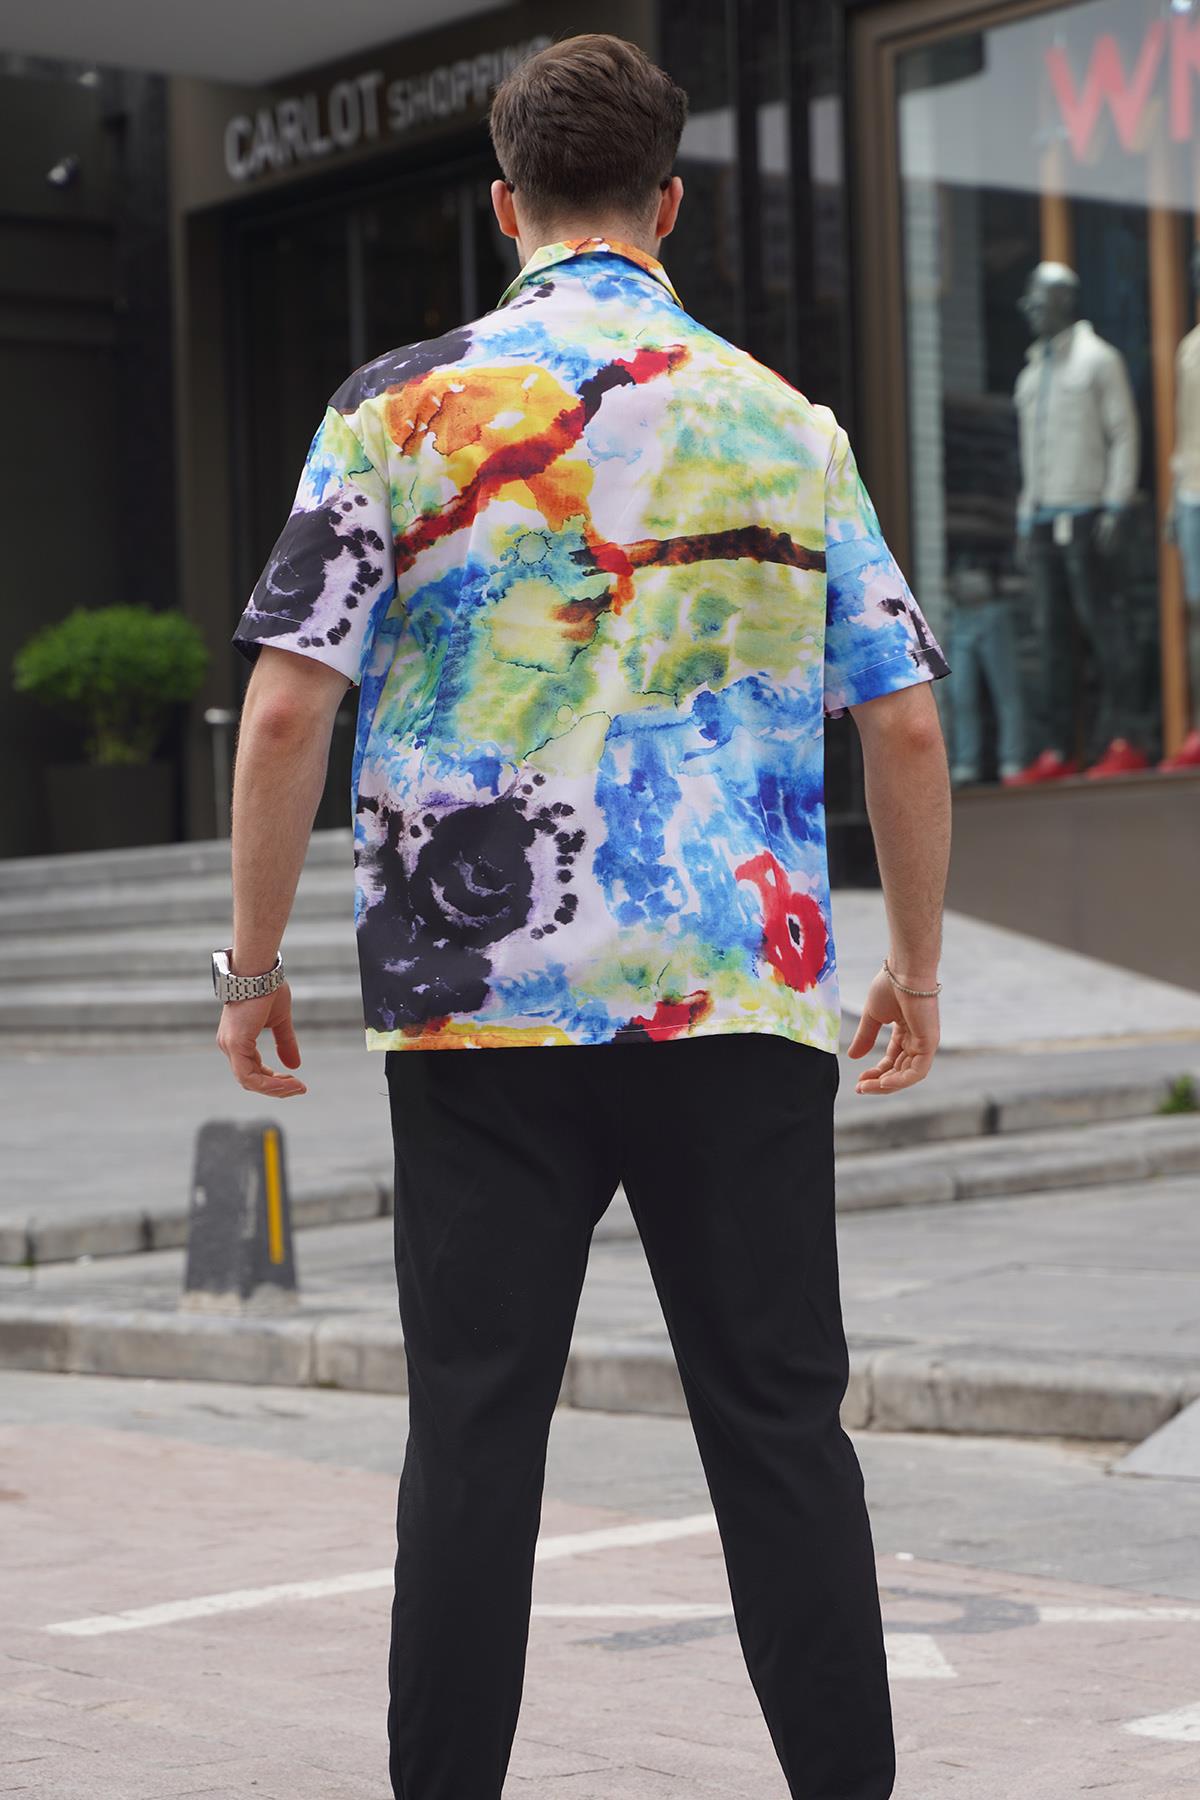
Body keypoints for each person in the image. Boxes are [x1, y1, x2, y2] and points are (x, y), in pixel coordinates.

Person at [215, 33, 951, 1800]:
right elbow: (908, 720)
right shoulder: (786, 421)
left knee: (475, 1432)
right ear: (669, 204)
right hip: (733, 1001)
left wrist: (250, 965)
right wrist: (916, 966)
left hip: (482, 1007)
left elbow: (288, 709)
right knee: (779, 1431)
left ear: (504, 204)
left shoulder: (396, 411)